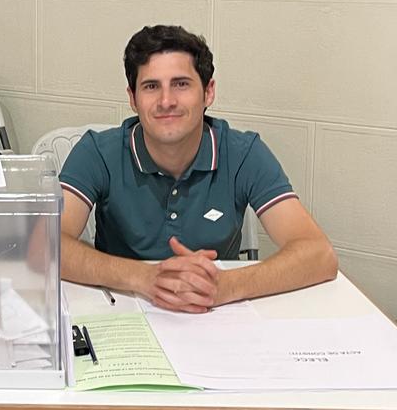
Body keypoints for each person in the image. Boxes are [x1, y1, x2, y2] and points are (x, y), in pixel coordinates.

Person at [40, 25, 336, 313]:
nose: (166, 101)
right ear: (132, 98)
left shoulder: (244, 153)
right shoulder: (97, 152)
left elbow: (318, 253)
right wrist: (145, 278)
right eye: (151, 86)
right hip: (123, 310)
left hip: (217, 314)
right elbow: (43, 246)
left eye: (181, 84)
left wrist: (224, 287)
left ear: (208, 92)